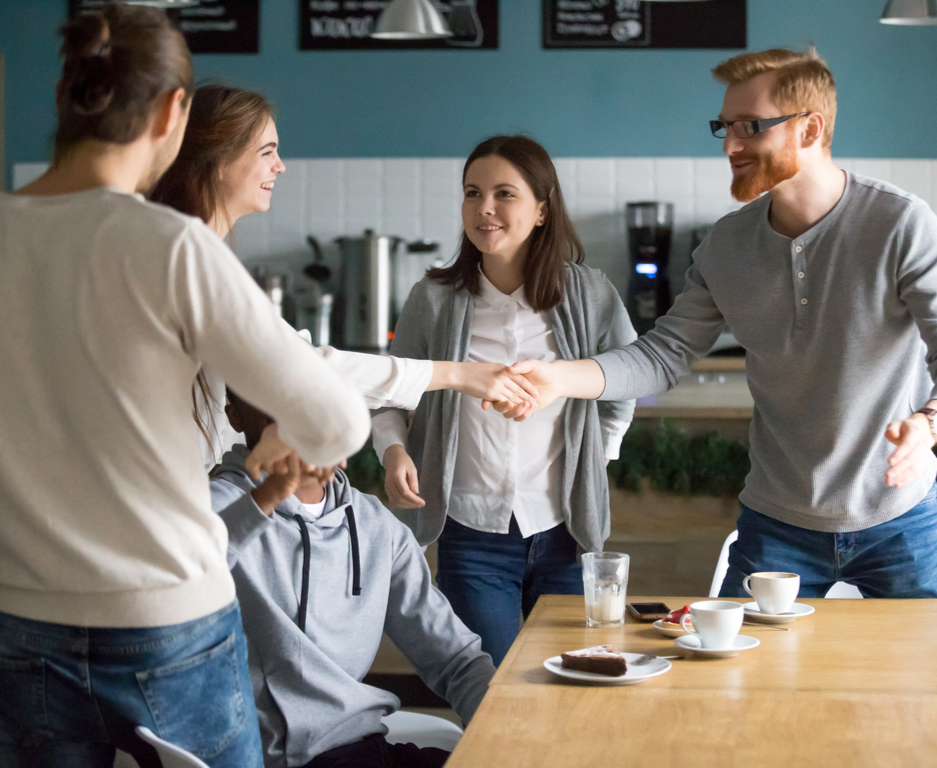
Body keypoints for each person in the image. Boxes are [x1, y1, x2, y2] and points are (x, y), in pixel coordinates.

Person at [0, 8, 364, 767]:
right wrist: (280, 438)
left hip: (22, 620)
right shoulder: (171, 247)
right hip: (169, 625)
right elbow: (335, 422)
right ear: (174, 112)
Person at [503, 49, 937, 599]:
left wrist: (929, 423)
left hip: (901, 519)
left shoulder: (900, 224)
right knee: (740, 682)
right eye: (725, 127)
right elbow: (663, 356)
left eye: (750, 127)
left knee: (931, 682)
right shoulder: (726, 245)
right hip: (777, 525)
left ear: (810, 128)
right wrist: (560, 378)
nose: (731, 146)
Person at [149, 85, 539, 471]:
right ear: (219, 160)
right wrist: (458, 374)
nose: (280, 165)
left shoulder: (189, 252)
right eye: (267, 151)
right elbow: (304, 368)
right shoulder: (191, 260)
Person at [372, 136, 636, 665]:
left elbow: (624, 378)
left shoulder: (591, 295)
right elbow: (389, 394)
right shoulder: (434, 299)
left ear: (542, 209)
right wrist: (393, 451)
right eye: (472, 193)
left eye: (504, 194)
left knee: (571, 685)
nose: (484, 209)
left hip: (565, 531)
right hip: (472, 534)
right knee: (486, 689)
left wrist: (599, 453)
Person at [209, 388, 495, 768]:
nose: (290, 412)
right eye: (264, 394)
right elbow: (179, 575)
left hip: (363, 746)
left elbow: (455, 658)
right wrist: (273, 492)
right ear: (235, 417)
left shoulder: (376, 526)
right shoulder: (211, 509)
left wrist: (510, 731)